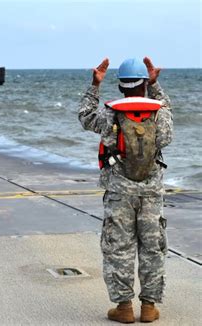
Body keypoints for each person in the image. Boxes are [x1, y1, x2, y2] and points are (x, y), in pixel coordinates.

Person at [78, 57, 173, 323]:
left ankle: (124, 308)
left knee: (118, 247)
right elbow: (166, 136)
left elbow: (85, 117)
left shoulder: (109, 113)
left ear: (120, 86)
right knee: (153, 247)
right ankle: (149, 307)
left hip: (119, 192)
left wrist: (94, 86)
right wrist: (156, 88)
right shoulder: (160, 111)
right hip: (152, 192)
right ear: (144, 82)